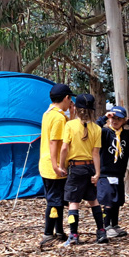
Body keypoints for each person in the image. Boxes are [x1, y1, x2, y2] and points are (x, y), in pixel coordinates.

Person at [59, 94, 106, 246]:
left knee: (73, 202)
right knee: (93, 201)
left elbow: (64, 148)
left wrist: (61, 166)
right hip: (90, 168)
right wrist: (97, 173)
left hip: (76, 168)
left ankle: (73, 234)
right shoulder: (97, 128)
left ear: (76, 109)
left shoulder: (70, 126)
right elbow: (95, 153)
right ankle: (101, 231)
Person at [96, 106, 129, 238]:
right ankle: (106, 226)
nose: (115, 121)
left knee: (117, 201)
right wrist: (104, 118)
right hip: (105, 172)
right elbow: (93, 129)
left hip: (119, 173)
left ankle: (115, 225)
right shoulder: (105, 133)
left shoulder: (126, 135)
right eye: (113, 118)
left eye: (119, 119)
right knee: (108, 200)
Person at [39, 83, 75, 247]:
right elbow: (55, 142)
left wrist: (72, 116)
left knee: (58, 200)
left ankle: (59, 231)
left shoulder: (49, 113)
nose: (71, 103)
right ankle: (48, 233)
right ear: (66, 98)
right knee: (54, 200)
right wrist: (56, 165)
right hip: (53, 165)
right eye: (70, 99)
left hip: (45, 163)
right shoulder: (58, 118)